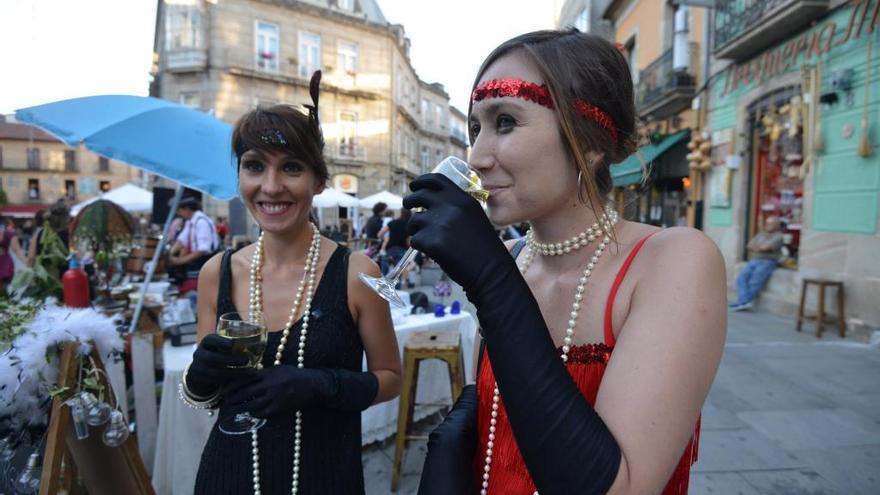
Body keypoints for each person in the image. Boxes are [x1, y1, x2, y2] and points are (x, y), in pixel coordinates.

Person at [410, 30, 726, 495]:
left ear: (590, 141)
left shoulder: (673, 261)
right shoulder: (516, 258)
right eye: (475, 129)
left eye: (505, 122)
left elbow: (622, 487)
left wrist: (492, 282)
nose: (475, 157)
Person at [182, 71, 401, 494]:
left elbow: (390, 377)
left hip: (324, 476)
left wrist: (320, 385)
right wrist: (199, 377)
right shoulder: (216, 273)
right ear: (240, 176)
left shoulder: (357, 273)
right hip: (229, 476)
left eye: (292, 168)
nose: (271, 186)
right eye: (254, 166)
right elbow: (204, 399)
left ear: (318, 181)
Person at [730, 216, 783, 311]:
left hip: (767, 262)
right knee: (741, 278)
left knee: (755, 282)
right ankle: (744, 302)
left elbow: (766, 248)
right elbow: (749, 245)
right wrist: (760, 248)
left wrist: (758, 248)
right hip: (754, 260)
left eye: (770, 223)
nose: (767, 225)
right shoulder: (761, 234)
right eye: (767, 223)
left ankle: (742, 302)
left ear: (776, 225)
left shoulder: (779, 236)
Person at [168, 196, 218, 294]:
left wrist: (180, 261)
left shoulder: (201, 222)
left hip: (205, 261)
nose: (178, 214)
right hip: (196, 262)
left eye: (179, 211)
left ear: (187, 209)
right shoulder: (190, 222)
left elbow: (203, 249)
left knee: (198, 291)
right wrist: (170, 253)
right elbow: (182, 240)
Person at [378, 208, 411, 275]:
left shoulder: (393, 222)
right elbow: (408, 241)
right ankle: (397, 285)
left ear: (401, 213)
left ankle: (383, 285)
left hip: (389, 249)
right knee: (397, 275)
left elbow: (380, 234)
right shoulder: (408, 225)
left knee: (384, 272)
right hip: (401, 250)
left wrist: (384, 239)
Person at [0, 218, 25, 290]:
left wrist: (27, 263)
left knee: (2, 291)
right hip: (4, 262)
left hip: (4, 264)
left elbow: (17, 250)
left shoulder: (8, 234)